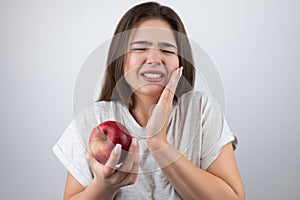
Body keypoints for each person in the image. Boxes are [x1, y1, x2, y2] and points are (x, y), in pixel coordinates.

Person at [53, 2, 245, 200]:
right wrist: (104, 187)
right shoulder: (93, 118)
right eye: (140, 48)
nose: (154, 59)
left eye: (168, 50)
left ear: (180, 62)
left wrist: (158, 143)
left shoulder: (202, 110)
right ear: (121, 59)